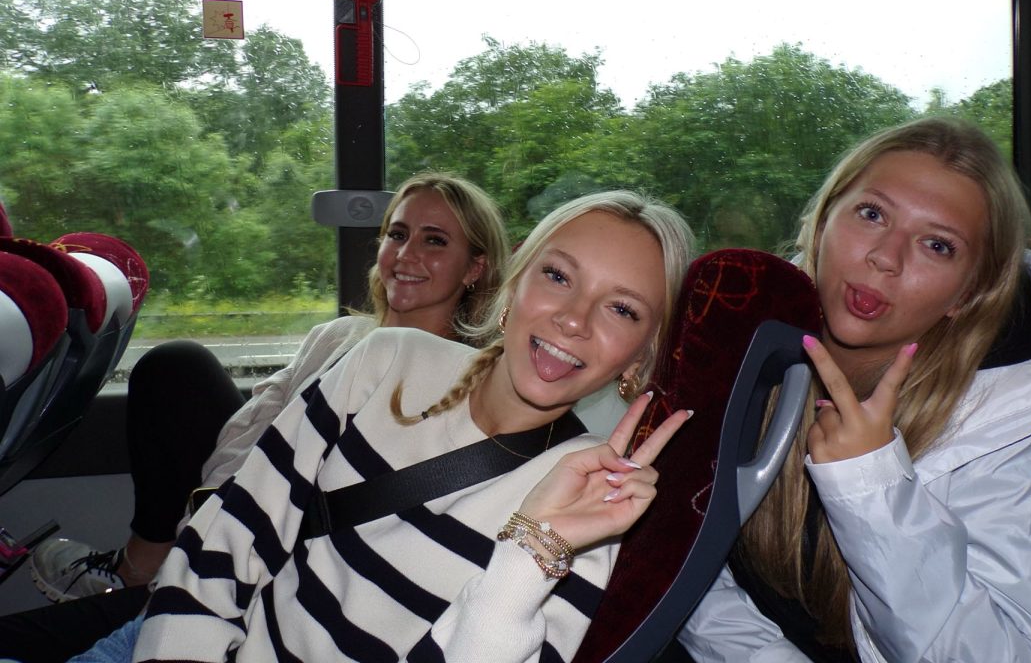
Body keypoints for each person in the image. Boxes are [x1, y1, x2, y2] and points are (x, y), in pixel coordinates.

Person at [113, 188, 696, 661]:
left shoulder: (593, 506)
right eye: (559, 277)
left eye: (622, 309)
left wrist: (529, 555)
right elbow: (224, 543)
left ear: (641, 357)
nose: (573, 319)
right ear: (514, 283)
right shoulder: (384, 360)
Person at [6, 172, 509, 661]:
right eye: (397, 234)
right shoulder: (335, 338)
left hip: (283, 566)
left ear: (474, 269)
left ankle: (160, 581)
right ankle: (145, 567)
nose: (406, 255)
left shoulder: (458, 383)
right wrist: (210, 528)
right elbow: (242, 436)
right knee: (176, 364)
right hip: (232, 519)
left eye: (435, 241)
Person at [677, 117, 1031, 662]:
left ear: (967, 294)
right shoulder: (741, 341)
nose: (887, 256)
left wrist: (870, 484)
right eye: (871, 214)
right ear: (822, 222)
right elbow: (683, 556)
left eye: (937, 245)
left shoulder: (1018, 430)